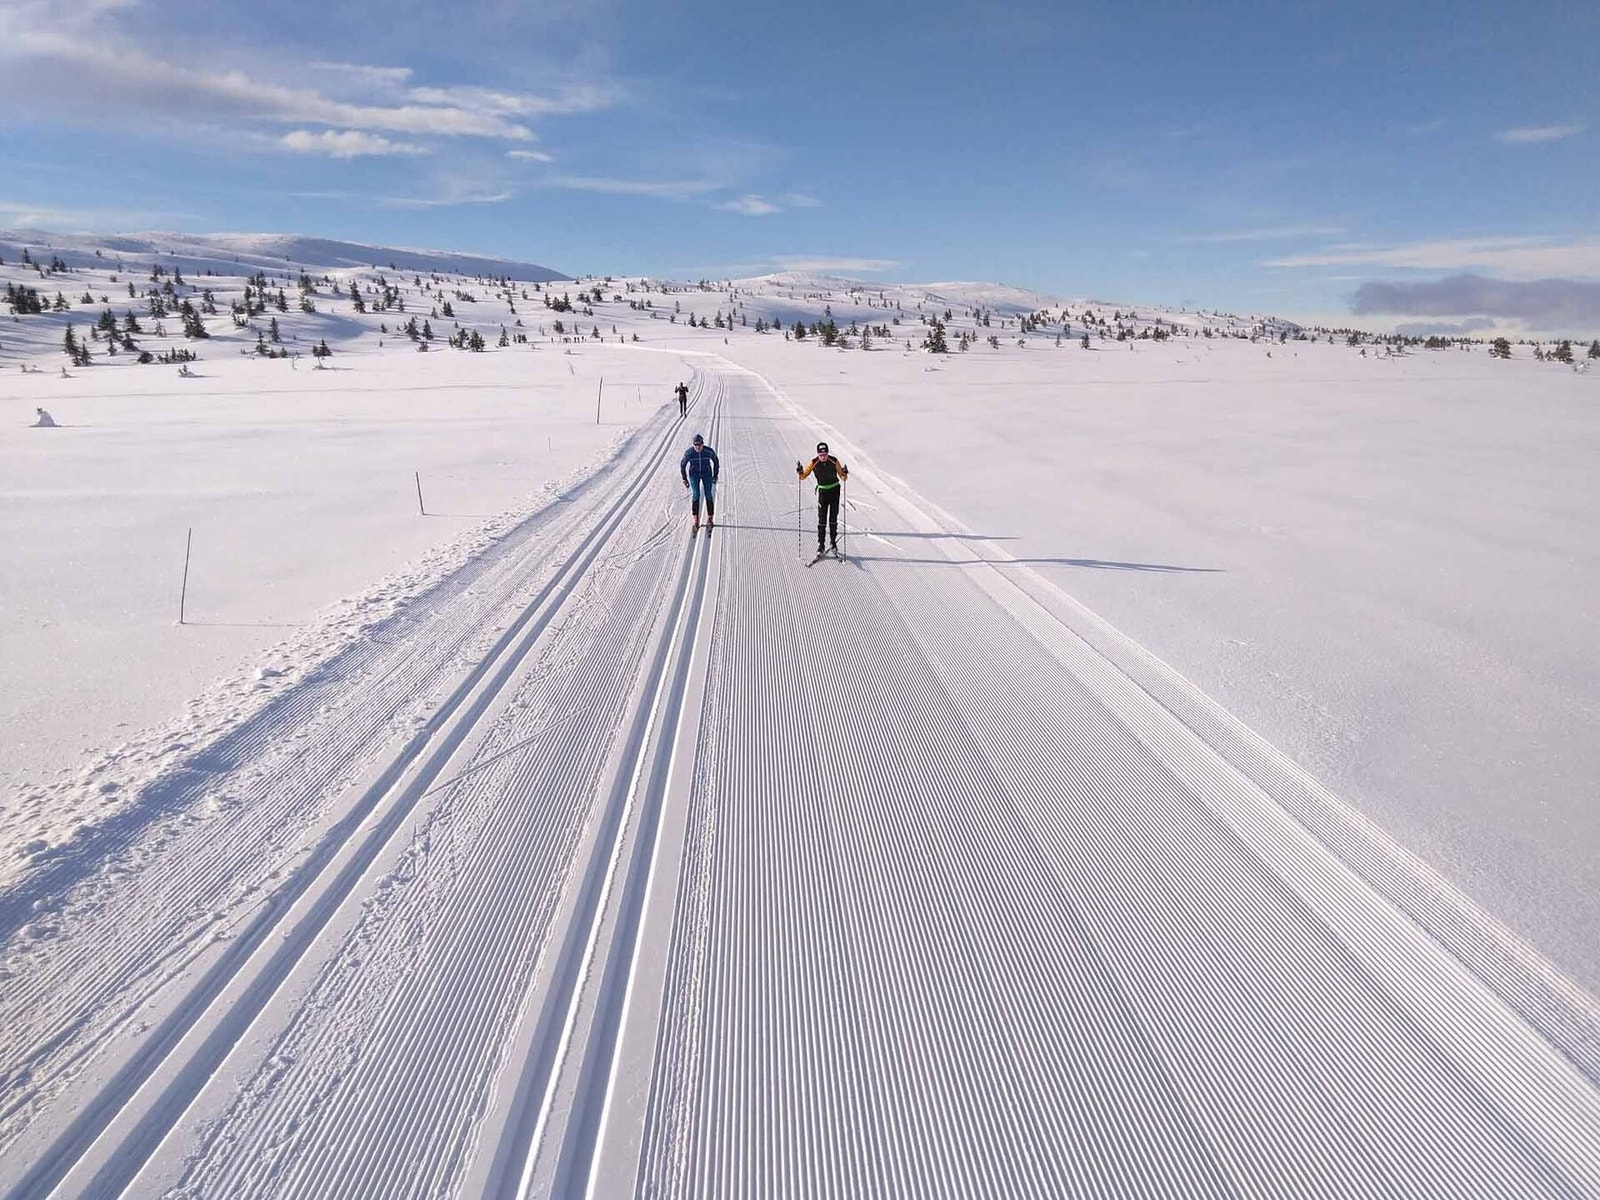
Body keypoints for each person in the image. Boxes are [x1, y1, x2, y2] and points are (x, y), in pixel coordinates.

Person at [797, 441, 848, 556]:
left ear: (828, 453)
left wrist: (844, 473)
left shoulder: (834, 461)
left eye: (825, 455)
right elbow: (803, 476)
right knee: (822, 520)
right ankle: (821, 545)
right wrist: (800, 471)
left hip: (835, 491)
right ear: (818, 454)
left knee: (833, 519)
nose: (823, 457)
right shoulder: (814, 462)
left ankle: (833, 543)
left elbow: (843, 477)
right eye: (821, 455)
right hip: (823, 493)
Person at [680, 432, 719, 530]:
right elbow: (682, 465)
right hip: (694, 474)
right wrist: (684, 478)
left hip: (706, 473)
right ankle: (696, 519)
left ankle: (710, 518)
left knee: (708, 494)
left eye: (700, 444)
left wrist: (715, 475)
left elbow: (716, 461)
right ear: (693, 445)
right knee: (696, 494)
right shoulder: (689, 453)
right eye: (696, 445)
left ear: (703, 444)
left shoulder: (708, 452)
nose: (698, 447)